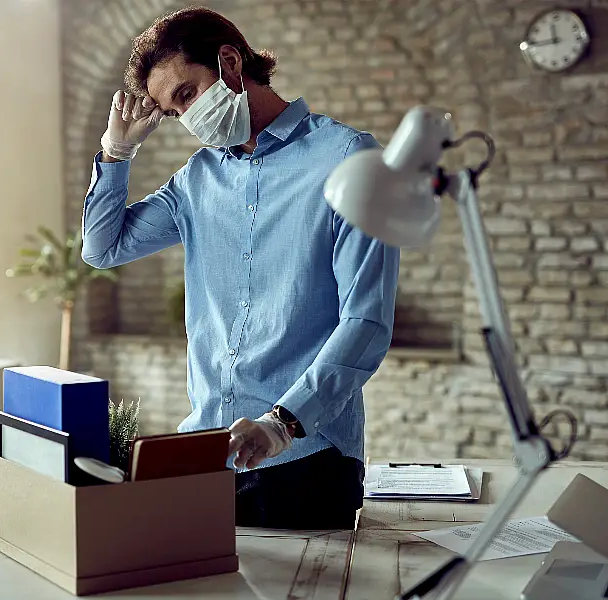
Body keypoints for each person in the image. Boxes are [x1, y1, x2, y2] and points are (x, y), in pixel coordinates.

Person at [81, 6, 399, 530]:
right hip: (207, 455)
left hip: (306, 459)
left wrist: (283, 422)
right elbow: (102, 248)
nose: (185, 119)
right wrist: (116, 154)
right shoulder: (196, 181)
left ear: (230, 62)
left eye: (186, 95)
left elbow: (366, 322)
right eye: (172, 111)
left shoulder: (349, 159)